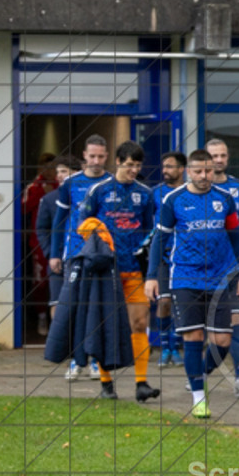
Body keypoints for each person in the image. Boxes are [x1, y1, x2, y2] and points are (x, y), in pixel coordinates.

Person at [145, 149, 239, 419]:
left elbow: (237, 237)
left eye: (210, 171)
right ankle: (199, 397)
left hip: (220, 278)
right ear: (188, 171)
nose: (205, 176)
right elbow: (160, 239)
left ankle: (199, 374)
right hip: (185, 277)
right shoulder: (174, 199)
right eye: (199, 171)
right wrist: (152, 276)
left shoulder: (225, 199)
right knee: (193, 336)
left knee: (222, 340)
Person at [80, 140, 158, 402]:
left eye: (138, 165)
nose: (134, 170)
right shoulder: (98, 191)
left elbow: (151, 229)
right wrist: (99, 239)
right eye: (129, 165)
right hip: (106, 272)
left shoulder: (145, 194)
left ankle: (141, 383)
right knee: (106, 325)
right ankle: (106, 384)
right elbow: (83, 225)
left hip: (135, 268)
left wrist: (146, 252)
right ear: (118, 162)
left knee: (139, 323)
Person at [50, 135, 112, 380]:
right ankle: (77, 360)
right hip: (75, 254)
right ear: (84, 156)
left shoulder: (112, 182)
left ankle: (98, 360)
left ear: (106, 157)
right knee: (74, 308)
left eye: (101, 156)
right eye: (92, 156)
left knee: (100, 309)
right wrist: (55, 254)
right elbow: (59, 220)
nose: (96, 161)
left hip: (104, 256)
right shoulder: (70, 183)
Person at [205, 138, 239, 399]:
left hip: (230, 267)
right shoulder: (194, 189)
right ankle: (199, 373)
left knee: (236, 319)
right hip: (198, 270)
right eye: (214, 155)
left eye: (223, 155)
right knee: (211, 334)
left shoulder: (237, 187)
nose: (219, 160)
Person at [36, 155, 81, 323]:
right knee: (57, 304)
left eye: (64, 171)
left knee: (81, 305)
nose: (59, 175)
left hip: (81, 258)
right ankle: (58, 345)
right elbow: (41, 229)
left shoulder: (88, 196)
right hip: (58, 262)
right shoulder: (48, 199)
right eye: (58, 172)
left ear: (77, 173)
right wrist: (50, 253)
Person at [152, 151, 187, 368]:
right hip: (164, 257)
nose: (165, 171)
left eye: (170, 167)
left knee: (181, 304)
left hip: (185, 258)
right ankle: (166, 348)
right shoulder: (155, 193)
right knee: (164, 302)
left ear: (182, 169)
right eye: (163, 167)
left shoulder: (189, 192)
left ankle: (177, 346)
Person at [24, 152, 57, 336]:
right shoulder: (34, 187)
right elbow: (22, 209)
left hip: (59, 242)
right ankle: (42, 317)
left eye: (54, 167)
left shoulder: (62, 185)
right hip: (38, 243)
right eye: (48, 168)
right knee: (40, 281)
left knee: (58, 281)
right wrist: (40, 195)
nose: (52, 172)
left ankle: (56, 321)